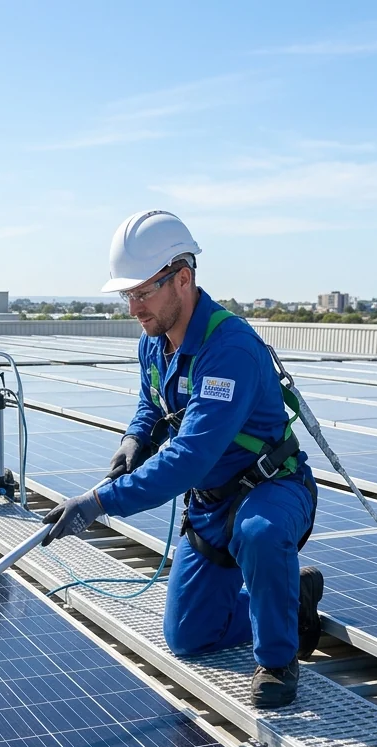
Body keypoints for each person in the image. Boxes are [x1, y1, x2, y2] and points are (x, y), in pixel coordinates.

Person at [42, 210, 323, 708]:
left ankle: (279, 659)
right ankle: (287, 595)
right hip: (212, 504)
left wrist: (99, 501)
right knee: (190, 637)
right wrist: (136, 437)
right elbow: (152, 403)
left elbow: (190, 458)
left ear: (184, 278)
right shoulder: (155, 340)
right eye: (127, 295)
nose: (133, 307)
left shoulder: (228, 348)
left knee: (258, 533)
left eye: (142, 292)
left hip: (271, 489)